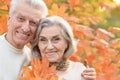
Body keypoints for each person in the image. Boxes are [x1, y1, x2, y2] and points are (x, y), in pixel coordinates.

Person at [31, 16, 96, 80]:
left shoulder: (80, 71)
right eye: (43, 40)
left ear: (67, 42)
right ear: (37, 44)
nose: (49, 47)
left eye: (56, 39)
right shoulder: (29, 72)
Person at [0, 0, 48, 80]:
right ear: (9, 20)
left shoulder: (34, 60)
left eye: (33, 23)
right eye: (21, 19)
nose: (25, 28)